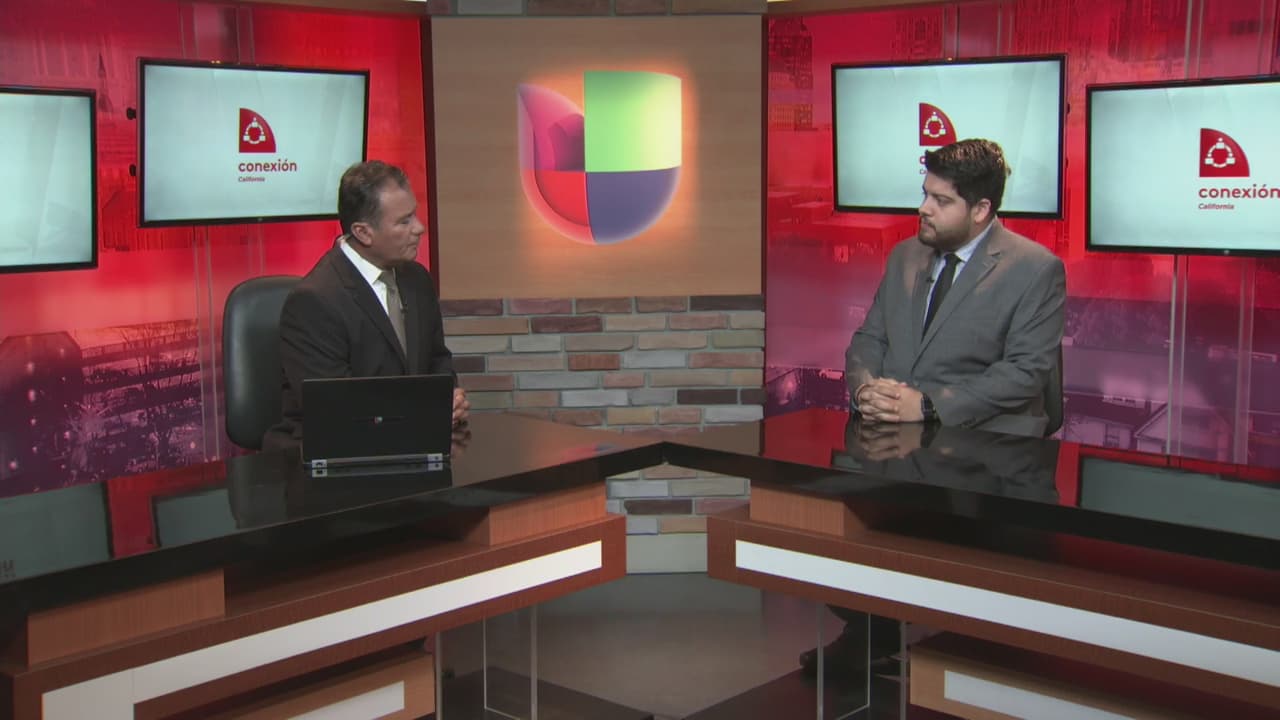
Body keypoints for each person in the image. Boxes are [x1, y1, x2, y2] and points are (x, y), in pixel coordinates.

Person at [801, 138, 1066, 678]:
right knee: (828, 523)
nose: (923, 208)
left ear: (981, 209)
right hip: (901, 448)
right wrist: (865, 389)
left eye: (940, 200)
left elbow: (1026, 372)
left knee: (952, 537)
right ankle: (871, 630)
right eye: (925, 194)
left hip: (988, 455)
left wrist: (929, 405)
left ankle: (973, 659)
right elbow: (869, 338)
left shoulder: (1035, 269)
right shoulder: (906, 256)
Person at [263, 160, 469, 451]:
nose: (419, 228)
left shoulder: (417, 279)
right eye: (404, 221)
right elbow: (338, 407)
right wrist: (425, 410)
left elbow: (437, 360)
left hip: (410, 444)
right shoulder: (315, 301)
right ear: (363, 232)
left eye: (414, 215)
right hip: (333, 455)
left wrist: (448, 398)